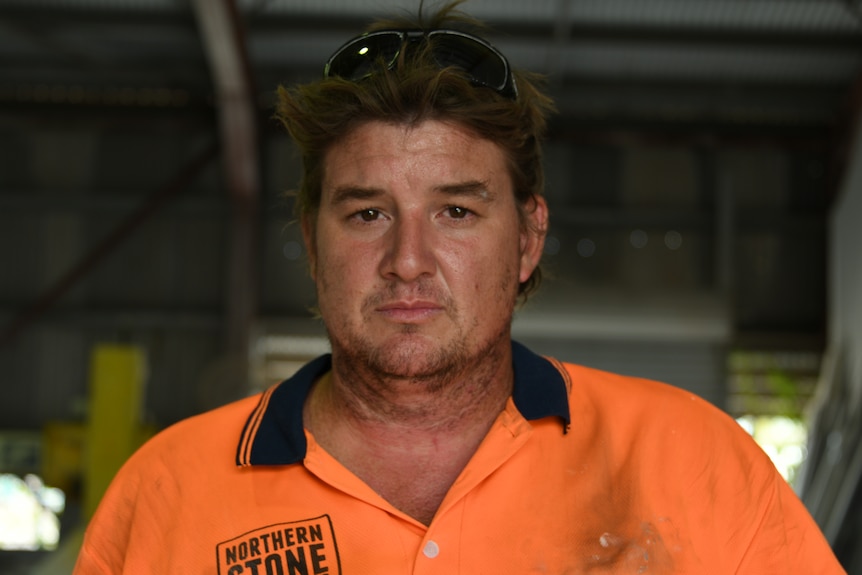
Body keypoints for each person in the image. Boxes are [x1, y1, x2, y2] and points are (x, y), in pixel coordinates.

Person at [73, 3, 845, 574]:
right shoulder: (168, 495)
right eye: (368, 211)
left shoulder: (691, 461)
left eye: (456, 211)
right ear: (313, 242)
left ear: (529, 238)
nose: (408, 259)